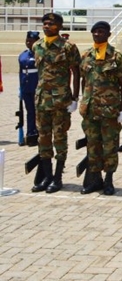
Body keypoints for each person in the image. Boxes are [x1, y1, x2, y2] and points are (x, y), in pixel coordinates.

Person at [31, 13, 81, 193]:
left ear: (59, 26)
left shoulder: (68, 47)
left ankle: (58, 178)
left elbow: (76, 72)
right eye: (45, 23)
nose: (46, 26)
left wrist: (75, 97)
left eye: (51, 24)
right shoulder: (37, 46)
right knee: (43, 139)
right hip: (42, 100)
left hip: (60, 100)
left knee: (59, 138)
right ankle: (46, 176)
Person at [79, 21, 122, 195]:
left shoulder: (117, 57)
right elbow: (83, 80)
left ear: (108, 34)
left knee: (110, 146)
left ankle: (109, 181)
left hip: (110, 110)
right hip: (90, 109)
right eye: (95, 32)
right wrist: (82, 101)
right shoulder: (86, 55)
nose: (97, 34)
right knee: (93, 146)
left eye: (101, 32)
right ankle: (96, 180)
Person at [19, 31, 40, 146]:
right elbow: (21, 73)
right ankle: (30, 133)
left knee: (38, 112)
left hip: (37, 87)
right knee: (29, 111)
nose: (29, 43)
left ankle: (39, 134)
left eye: (31, 41)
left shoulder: (40, 54)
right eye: (27, 41)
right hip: (26, 88)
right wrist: (21, 88)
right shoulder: (23, 55)